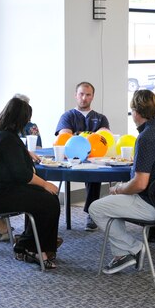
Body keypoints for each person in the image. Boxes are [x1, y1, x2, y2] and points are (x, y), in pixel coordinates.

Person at [93, 90, 155, 274]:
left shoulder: (146, 137)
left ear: (136, 113)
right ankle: (125, 252)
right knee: (111, 205)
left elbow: (140, 184)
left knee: (97, 208)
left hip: (152, 204)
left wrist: (119, 189)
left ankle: (131, 249)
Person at [0, 97, 61, 269]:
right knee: (48, 200)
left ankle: (32, 244)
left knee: (44, 199)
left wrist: (24, 152)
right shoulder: (9, 139)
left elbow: (12, 158)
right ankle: (35, 248)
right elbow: (23, 175)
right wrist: (45, 184)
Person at [55, 82, 110, 230]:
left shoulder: (100, 118)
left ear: (93, 96)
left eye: (88, 94)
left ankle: (91, 213)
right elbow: (65, 136)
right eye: (81, 94)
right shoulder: (67, 116)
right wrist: (90, 137)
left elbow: (104, 139)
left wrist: (79, 135)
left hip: (94, 160)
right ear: (75, 95)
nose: (84, 98)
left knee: (94, 172)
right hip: (71, 161)